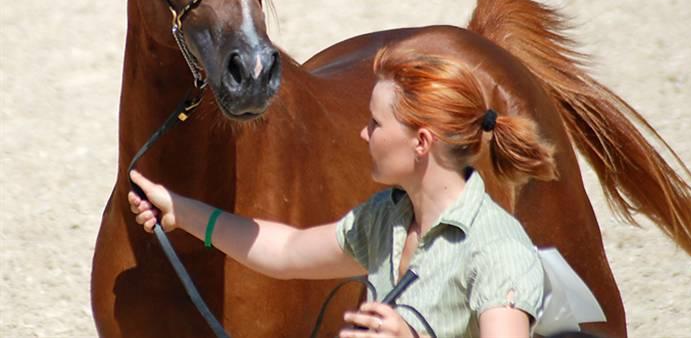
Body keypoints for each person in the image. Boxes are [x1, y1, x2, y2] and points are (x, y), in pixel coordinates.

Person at [129, 45, 558, 337]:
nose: (362, 133)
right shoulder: (387, 218)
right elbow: (287, 251)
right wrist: (180, 211)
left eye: (375, 124)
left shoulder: (498, 251)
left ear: (421, 143)